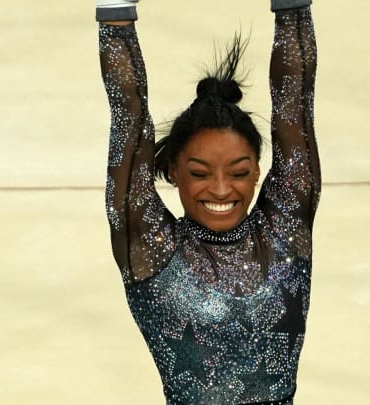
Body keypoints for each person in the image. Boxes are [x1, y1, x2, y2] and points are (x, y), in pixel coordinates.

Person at [98, 0, 319, 403]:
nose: (220, 190)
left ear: (258, 171)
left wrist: (293, 9)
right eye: (199, 174)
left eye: (237, 172)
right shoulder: (152, 249)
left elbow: (295, 103)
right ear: (170, 173)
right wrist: (116, 15)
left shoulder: (284, 230)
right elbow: (128, 117)